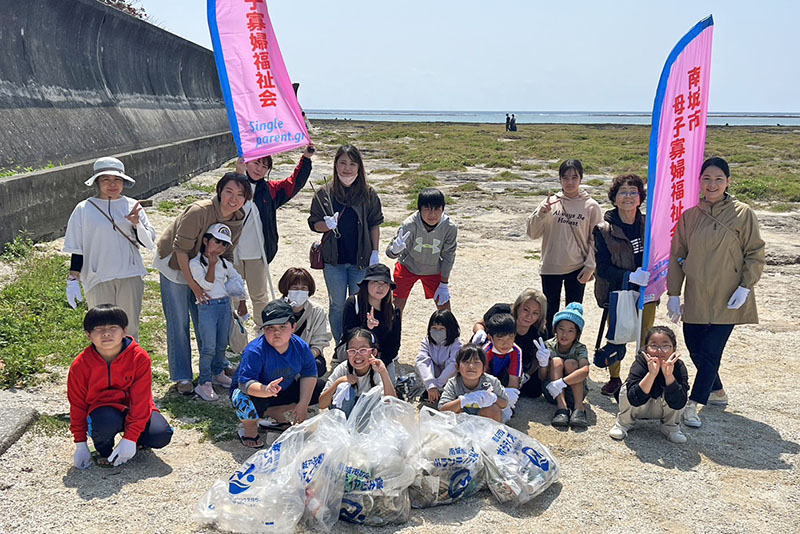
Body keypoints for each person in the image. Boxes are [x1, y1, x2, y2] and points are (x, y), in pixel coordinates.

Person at [667, 157, 765, 429]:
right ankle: (718, 391)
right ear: (699, 182)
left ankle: (693, 404)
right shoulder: (690, 216)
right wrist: (674, 293)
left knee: (711, 352)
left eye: (718, 179)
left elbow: (755, 253)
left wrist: (746, 286)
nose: (712, 184)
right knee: (696, 348)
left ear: (728, 182)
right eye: (707, 179)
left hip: (728, 295)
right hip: (697, 293)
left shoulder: (743, 213)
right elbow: (678, 255)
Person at [154, 172, 250, 395]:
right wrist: (195, 287)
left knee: (208, 317)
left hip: (206, 267)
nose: (233, 199)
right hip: (176, 265)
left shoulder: (237, 218)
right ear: (219, 191)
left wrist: (228, 284)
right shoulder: (199, 211)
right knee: (179, 320)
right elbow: (181, 250)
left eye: (240, 194)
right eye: (229, 192)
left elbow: (228, 252)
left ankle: (216, 366)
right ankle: (182, 375)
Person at [63, 157, 156, 340]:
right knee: (101, 329)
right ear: (97, 182)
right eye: (106, 180)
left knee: (128, 327)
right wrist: (73, 277)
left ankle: (130, 366)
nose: (112, 184)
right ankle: (105, 367)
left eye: (117, 180)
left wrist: (137, 224)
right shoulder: (84, 208)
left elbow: (148, 242)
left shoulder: (132, 206)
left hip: (129, 274)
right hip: (98, 276)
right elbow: (77, 247)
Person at [68, 305, 173, 468]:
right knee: (105, 421)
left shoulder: (139, 358)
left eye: (113, 327)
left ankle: (135, 441)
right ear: (88, 335)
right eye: (98, 329)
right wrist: (80, 442)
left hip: (133, 408)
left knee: (160, 434)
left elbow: (141, 400)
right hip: (103, 410)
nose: (106, 333)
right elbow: (77, 405)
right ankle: (104, 450)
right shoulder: (80, 365)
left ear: (124, 331)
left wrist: (130, 438)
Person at [308, 145, 384, 342]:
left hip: (360, 259)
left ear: (359, 167)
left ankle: (358, 342)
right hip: (334, 261)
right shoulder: (324, 193)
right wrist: (326, 225)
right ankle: (341, 344)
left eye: (352, 163)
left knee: (360, 303)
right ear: (335, 165)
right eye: (342, 163)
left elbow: (375, 224)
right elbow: (313, 224)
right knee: (337, 305)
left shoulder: (368, 193)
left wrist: (375, 252)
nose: (347, 168)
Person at [233, 144, 314, 323]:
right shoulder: (232, 183)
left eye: (264, 166)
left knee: (259, 296)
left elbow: (294, 184)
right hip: (232, 252)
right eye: (256, 163)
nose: (259, 169)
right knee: (231, 296)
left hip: (257, 253)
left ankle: (262, 332)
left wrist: (306, 159)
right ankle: (231, 336)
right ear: (246, 162)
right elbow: (222, 202)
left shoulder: (270, 190)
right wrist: (238, 175)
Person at [593, 174, 656, 398]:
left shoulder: (649, 224)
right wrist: (629, 276)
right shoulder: (603, 229)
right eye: (623, 192)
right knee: (617, 336)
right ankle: (614, 378)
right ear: (614, 198)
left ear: (640, 198)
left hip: (647, 291)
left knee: (646, 335)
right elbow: (602, 268)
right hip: (618, 292)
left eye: (633, 192)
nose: (628, 197)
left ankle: (640, 378)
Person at [230, 299, 324, 448]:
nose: (276, 332)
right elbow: (244, 383)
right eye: (270, 328)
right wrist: (265, 390)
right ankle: (250, 430)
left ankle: (275, 413)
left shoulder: (301, 347)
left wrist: (302, 405)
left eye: (282, 326)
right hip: (257, 392)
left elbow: (309, 374)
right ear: (263, 329)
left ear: (293, 327)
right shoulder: (255, 351)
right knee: (240, 398)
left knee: (319, 387)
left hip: (282, 389)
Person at [527, 159, 603, 336]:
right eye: (565, 177)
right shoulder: (551, 202)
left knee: (574, 313)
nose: (570, 182)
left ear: (581, 179)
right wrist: (542, 213)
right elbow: (532, 233)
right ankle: (548, 350)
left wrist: (591, 266)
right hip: (551, 266)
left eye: (574, 177)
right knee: (549, 312)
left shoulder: (591, 206)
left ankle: (571, 349)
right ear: (560, 179)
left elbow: (596, 239)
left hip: (577, 267)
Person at [188, 223, 247, 401]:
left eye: (224, 244)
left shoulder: (224, 262)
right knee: (208, 347)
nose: (219, 247)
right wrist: (212, 266)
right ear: (206, 240)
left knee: (222, 343)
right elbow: (206, 285)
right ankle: (204, 382)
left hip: (224, 305)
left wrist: (236, 293)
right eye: (217, 241)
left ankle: (218, 373)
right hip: (207, 307)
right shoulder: (196, 262)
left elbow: (236, 276)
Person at [609, 326, 689, 444]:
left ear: (674, 348)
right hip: (639, 406)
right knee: (626, 388)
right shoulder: (641, 362)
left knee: (681, 390)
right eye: (654, 345)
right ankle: (624, 423)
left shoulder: (679, 366)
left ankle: (670, 426)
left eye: (665, 346)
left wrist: (669, 376)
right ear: (646, 348)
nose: (659, 350)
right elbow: (634, 398)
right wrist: (651, 374)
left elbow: (679, 402)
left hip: (662, 408)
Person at [386, 187, 457, 313]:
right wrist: (395, 250)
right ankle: (392, 331)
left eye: (437, 209)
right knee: (395, 306)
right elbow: (390, 252)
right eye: (427, 209)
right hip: (408, 266)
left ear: (443, 209)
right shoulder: (409, 224)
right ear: (419, 209)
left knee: (444, 308)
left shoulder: (449, 227)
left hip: (434, 269)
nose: (432, 214)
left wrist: (444, 283)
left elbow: (449, 256)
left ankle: (449, 332)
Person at [471, 288, 549, 398]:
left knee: (534, 389)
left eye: (535, 313)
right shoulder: (500, 311)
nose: (529, 316)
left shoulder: (540, 331)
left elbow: (536, 359)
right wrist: (479, 332)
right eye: (526, 310)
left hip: (515, 363)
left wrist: (527, 374)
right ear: (517, 307)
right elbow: (480, 324)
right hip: (489, 354)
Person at [342, 263, 402, 384]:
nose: (381, 287)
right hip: (356, 353)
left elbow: (394, 344)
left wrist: (378, 363)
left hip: (380, 356)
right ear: (366, 284)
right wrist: (366, 329)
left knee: (388, 389)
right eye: (375, 282)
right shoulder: (354, 303)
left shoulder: (393, 310)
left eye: (385, 283)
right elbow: (348, 335)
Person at [319, 328, 396, 418]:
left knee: (372, 397)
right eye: (352, 351)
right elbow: (322, 404)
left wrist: (384, 373)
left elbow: (391, 404)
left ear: (373, 352)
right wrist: (338, 382)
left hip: (368, 421)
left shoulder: (377, 369)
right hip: (344, 419)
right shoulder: (343, 369)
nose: (357, 355)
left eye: (363, 350)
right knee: (345, 389)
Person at [541, 302, 590, 428]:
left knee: (571, 363)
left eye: (570, 331)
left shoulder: (580, 348)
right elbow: (542, 377)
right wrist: (542, 364)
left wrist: (562, 382)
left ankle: (579, 408)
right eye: (561, 329)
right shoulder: (548, 346)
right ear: (555, 329)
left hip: (574, 393)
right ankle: (561, 408)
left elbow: (585, 370)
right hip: (552, 392)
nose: (564, 334)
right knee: (556, 361)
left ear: (577, 333)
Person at [277, 267, 332, 377]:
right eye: (295, 288)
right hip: (279, 355)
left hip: (306, 355)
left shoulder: (317, 311)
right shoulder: (274, 309)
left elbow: (319, 342)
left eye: (303, 288)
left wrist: (304, 358)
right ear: (286, 289)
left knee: (318, 366)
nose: (299, 292)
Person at [438, 344, 509, 423]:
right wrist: (463, 400)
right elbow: (442, 410)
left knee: (493, 409)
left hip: (485, 422)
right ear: (457, 367)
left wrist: (493, 398)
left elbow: (504, 403)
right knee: (454, 412)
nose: (471, 366)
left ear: (484, 368)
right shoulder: (453, 383)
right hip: (463, 423)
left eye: (476, 362)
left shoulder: (491, 381)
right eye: (466, 362)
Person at [415, 310, 462, 405]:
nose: (437, 331)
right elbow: (422, 360)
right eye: (434, 328)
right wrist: (431, 385)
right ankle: (430, 392)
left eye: (441, 329)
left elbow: (452, 364)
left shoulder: (456, 344)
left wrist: (438, 384)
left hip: (448, 378)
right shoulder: (427, 342)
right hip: (433, 377)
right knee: (420, 364)